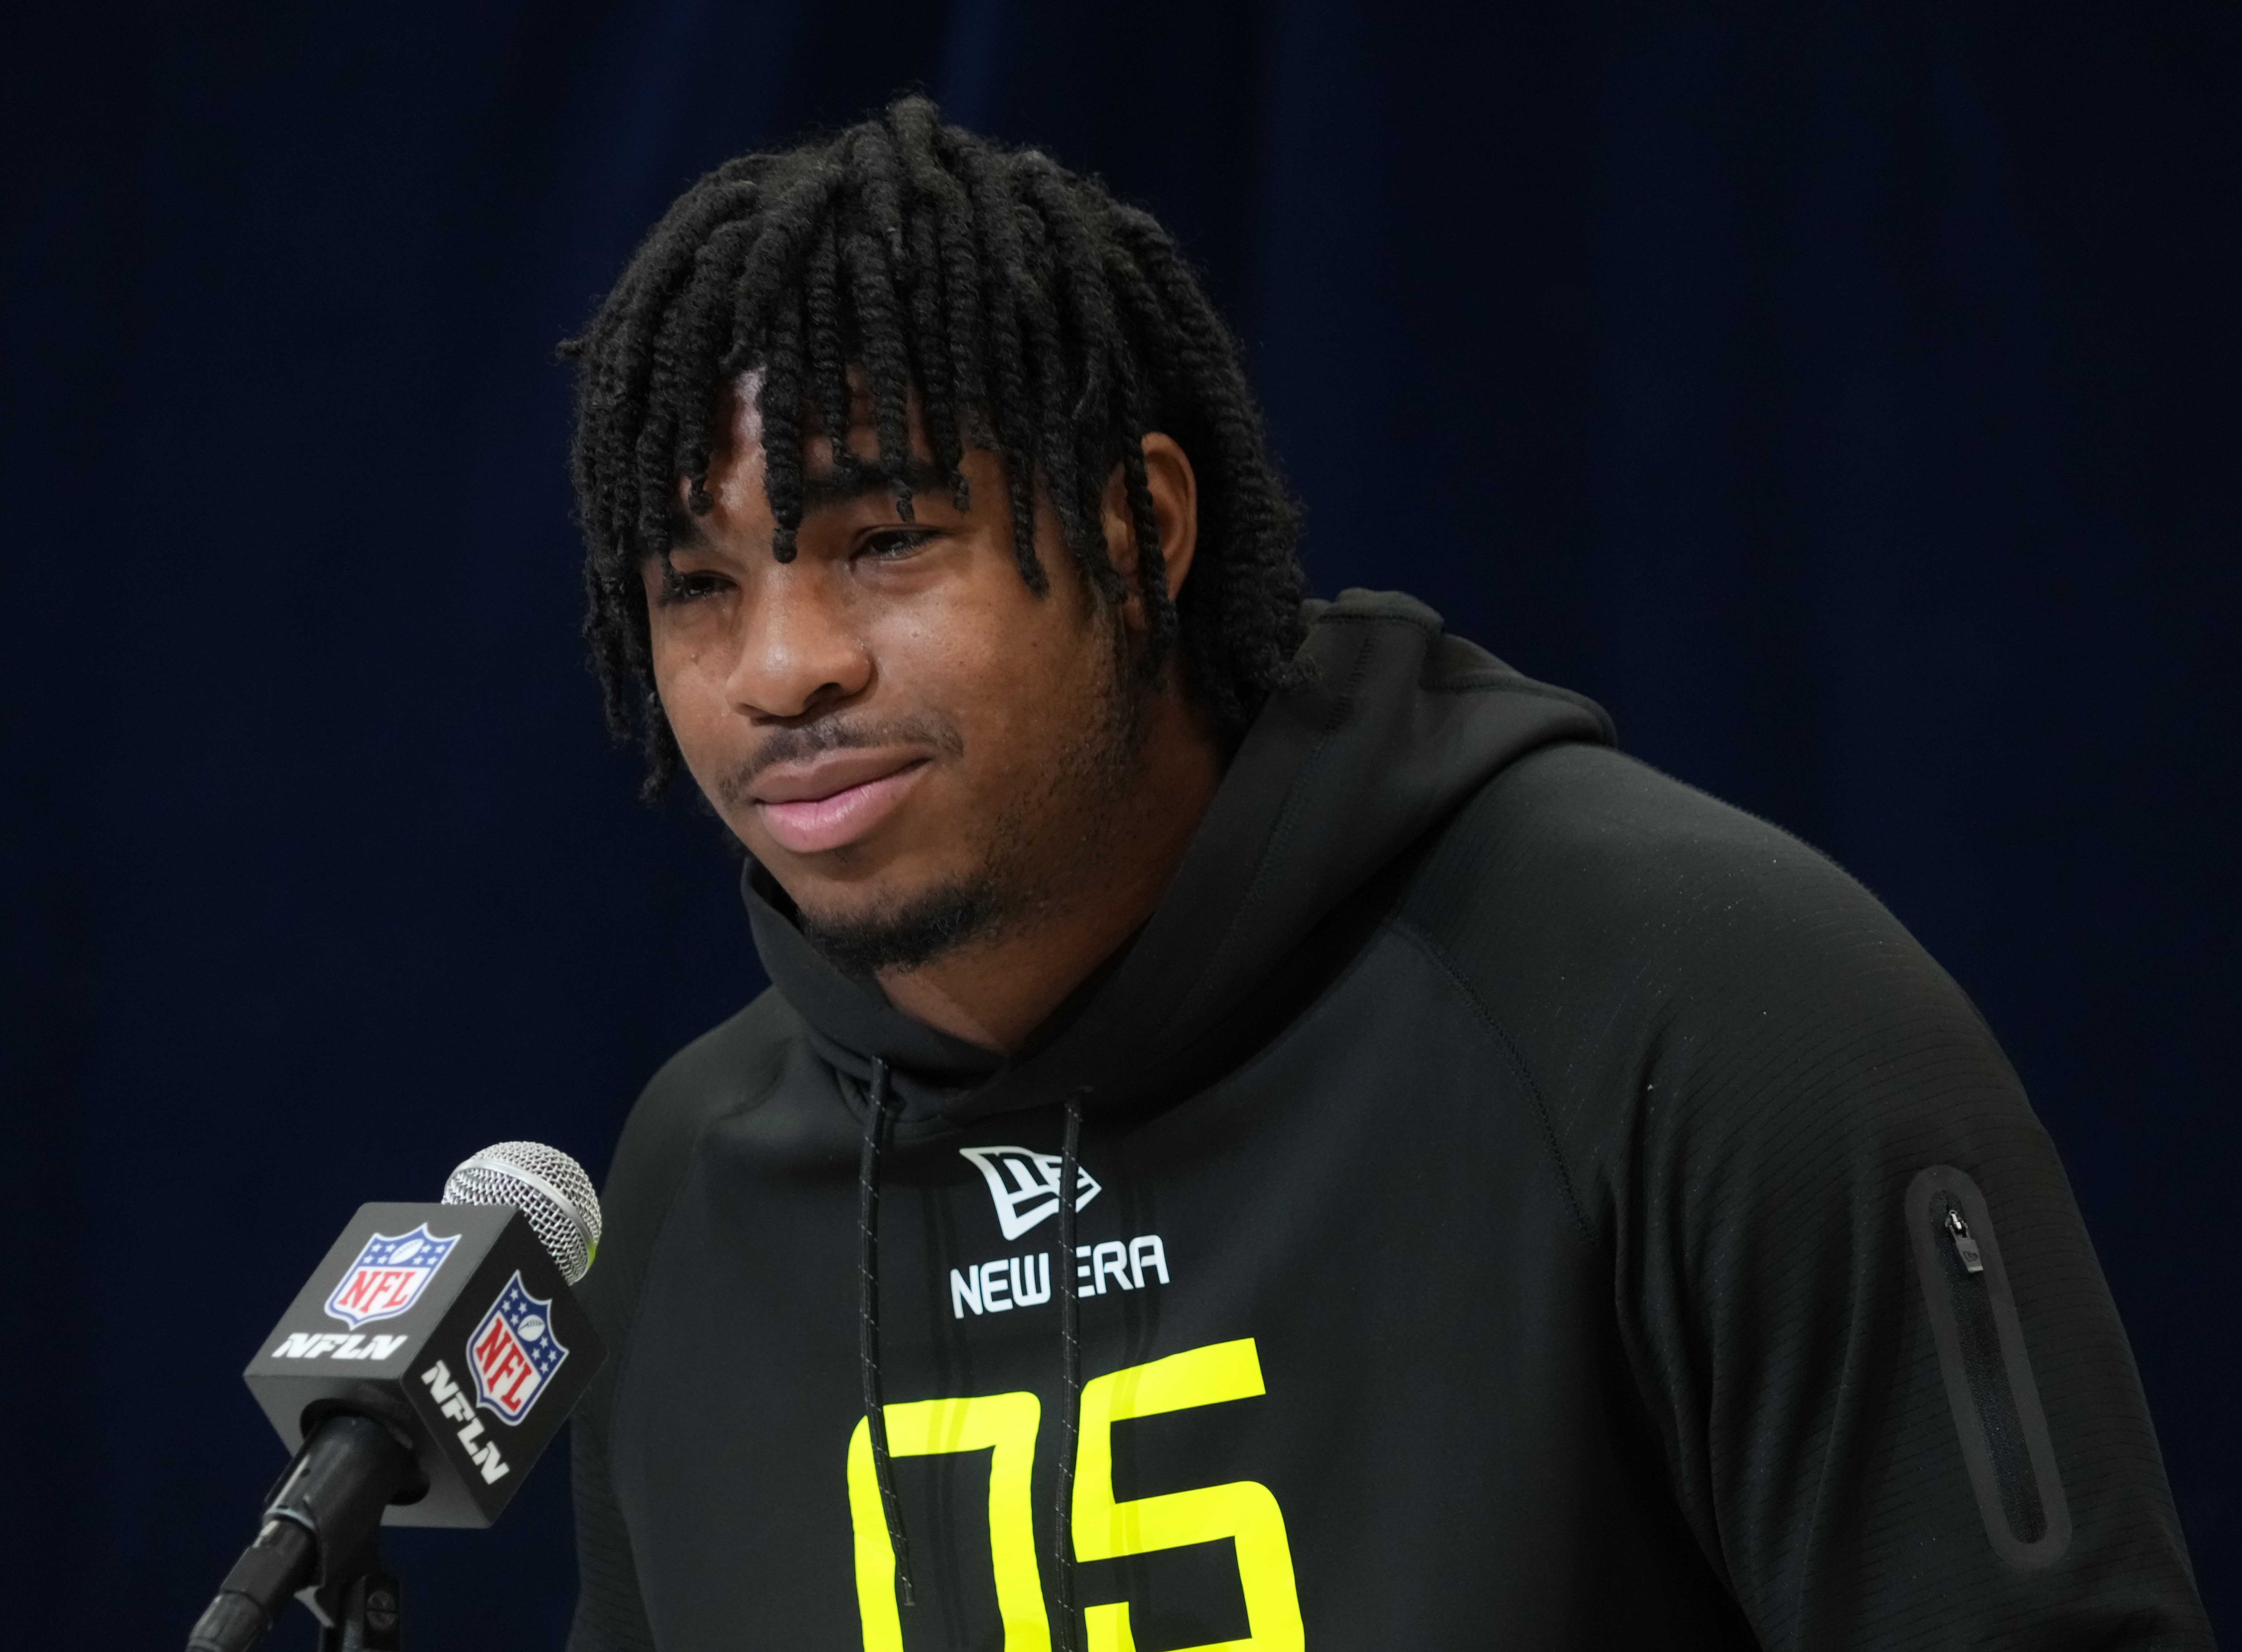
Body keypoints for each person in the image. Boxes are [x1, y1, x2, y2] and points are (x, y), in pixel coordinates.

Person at [556, 98, 2209, 1651]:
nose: (782, 668)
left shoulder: (1701, 1017)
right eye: (696, 584)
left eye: (886, 540)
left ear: (1141, 526)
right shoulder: (695, 1183)